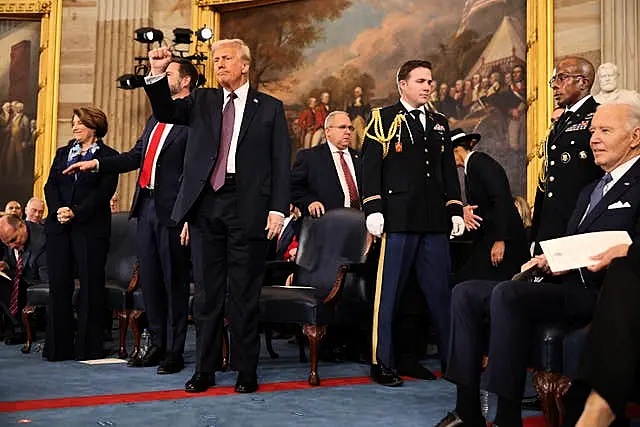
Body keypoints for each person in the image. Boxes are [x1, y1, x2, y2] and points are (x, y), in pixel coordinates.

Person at [436, 101, 640, 427]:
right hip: (567, 281)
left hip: (607, 294)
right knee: (465, 292)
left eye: (605, 130)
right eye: (592, 131)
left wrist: (620, 253)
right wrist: (551, 259)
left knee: (507, 294)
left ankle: (505, 416)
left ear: (635, 136)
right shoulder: (591, 190)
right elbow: (575, 239)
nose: (594, 139)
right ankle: (467, 409)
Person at [144, 39, 290, 393]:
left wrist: (277, 209)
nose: (219, 64)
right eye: (216, 59)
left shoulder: (270, 107)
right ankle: (205, 370)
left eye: (226, 59)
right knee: (207, 295)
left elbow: (280, 163)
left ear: (245, 65)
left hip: (249, 206)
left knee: (244, 294)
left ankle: (246, 370)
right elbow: (166, 112)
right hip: (206, 204)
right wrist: (158, 73)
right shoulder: (203, 100)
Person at [63, 59, 198, 375]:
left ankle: (175, 351)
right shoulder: (154, 118)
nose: (164, 79)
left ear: (187, 80)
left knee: (174, 281)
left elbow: (196, 172)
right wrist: (96, 164)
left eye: (169, 75)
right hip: (146, 206)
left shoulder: (195, 117)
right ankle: (158, 343)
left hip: (175, 211)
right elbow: (135, 157)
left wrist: (191, 215)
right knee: (150, 280)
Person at [362, 59, 465, 386]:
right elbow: (370, 166)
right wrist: (373, 208)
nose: (427, 86)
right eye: (420, 81)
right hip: (398, 218)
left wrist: (455, 209)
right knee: (388, 294)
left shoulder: (439, 122)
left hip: (433, 220)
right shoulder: (383, 118)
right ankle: (382, 363)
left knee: (440, 295)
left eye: (430, 81)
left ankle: (454, 363)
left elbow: (448, 169)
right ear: (402, 84)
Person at [43, 106, 118, 361]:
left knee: (90, 287)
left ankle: (89, 348)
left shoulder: (108, 157)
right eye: (73, 123)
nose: (74, 127)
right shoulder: (63, 153)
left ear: (94, 126)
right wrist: (58, 210)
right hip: (59, 228)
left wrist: (76, 212)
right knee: (59, 286)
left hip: (90, 229)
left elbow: (103, 193)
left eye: (80, 123)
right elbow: (50, 185)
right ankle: (57, 348)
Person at [530, 56, 603, 251]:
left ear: (583, 82)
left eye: (562, 78)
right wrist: (536, 233)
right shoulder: (561, 121)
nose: (555, 85)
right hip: (552, 227)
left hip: (579, 224)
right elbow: (547, 181)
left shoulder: (598, 116)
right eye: (554, 80)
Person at [451, 128, 529, 283]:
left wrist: (500, 240)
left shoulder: (480, 162)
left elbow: (500, 199)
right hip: (489, 238)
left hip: (503, 240)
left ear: (457, 150)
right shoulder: (472, 167)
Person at [290, 110, 362, 217]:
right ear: (328, 131)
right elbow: (294, 188)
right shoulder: (309, 157)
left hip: (361, 222)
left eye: (350, 128)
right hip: (326, 223)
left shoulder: (360, 157)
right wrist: (310, 202)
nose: (348, 132)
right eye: (342, 127)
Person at [0, 214, 47, 344]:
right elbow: (11, 259)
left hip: (37, 282)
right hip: (20, 280)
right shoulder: (13, 240)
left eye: (13, 240)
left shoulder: (41, 239)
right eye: (7, 243)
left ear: (22, 225)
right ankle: (17, 328)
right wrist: (5, 264)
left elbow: (46, 280)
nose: (11, 245)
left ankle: (27, 329)